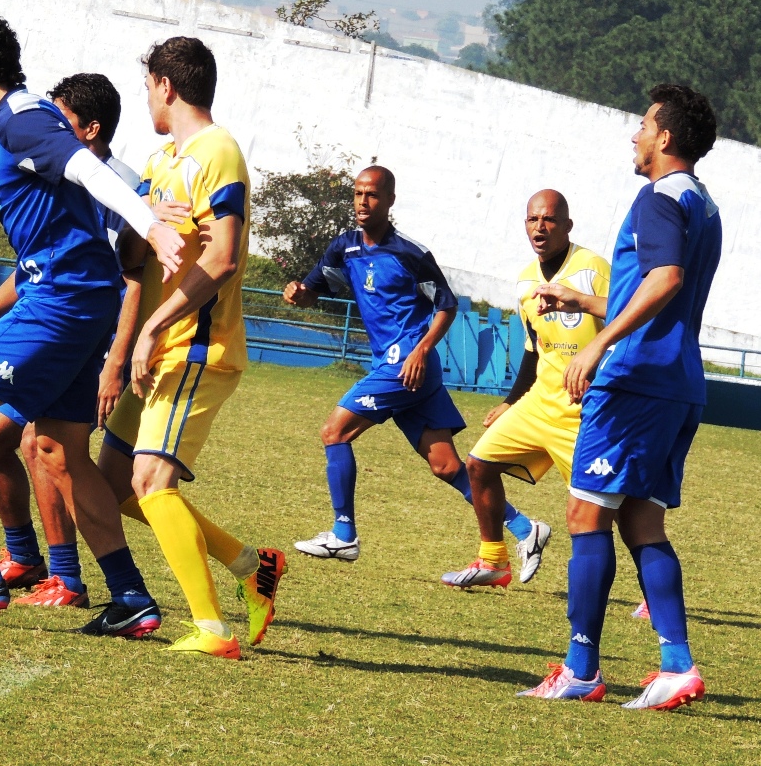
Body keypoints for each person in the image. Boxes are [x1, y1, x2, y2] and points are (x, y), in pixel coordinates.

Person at [0, 9, 186, 640]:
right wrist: (143, 205)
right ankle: (132, 597)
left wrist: (150, 224)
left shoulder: (19, 118)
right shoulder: (28, 117)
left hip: (61, 301)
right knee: (59, 450)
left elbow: (85, 166)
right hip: (82, 300)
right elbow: (85, 179)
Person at [519, 84, 720, 710]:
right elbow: (659, 295)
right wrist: (583, 302)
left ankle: (581, 669)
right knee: (641, 520)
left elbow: (665, 278)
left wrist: (596, 343)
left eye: (642, 124)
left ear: (664, 137)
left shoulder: (656, 197)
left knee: (584, 517)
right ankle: (675, 665)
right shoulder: (702, 203)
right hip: (678, 382)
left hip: (634, 382)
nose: (634, 135)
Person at [97, 36, 286, 660]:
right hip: (156, 350)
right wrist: (147, 214)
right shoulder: (158, 163)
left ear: (167, 86)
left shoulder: (218, 151)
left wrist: (155, 329)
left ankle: (211, 629)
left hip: (194, 347)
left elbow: (224, 256)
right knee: (116, 486)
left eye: (148, 86)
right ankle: (251, 565)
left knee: (151, 482)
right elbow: (132, 255)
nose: (146, 97)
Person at [286, 166, 542, 569]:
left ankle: (343, 534)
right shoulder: (345, 248)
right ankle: (526, 528)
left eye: (372, 194)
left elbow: (447, 304)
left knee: (334, 432)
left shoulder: (409, 252)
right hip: (400, 370)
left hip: (405, 364)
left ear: (389, 200)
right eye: (357, 194)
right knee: (445, 466)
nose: (362, 202)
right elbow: (314, 290)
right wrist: (297, 293)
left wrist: (421, 350)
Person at [0, 72, 143, 609]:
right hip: (57, 320)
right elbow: (36, 265)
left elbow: (131, 275)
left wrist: (117, 360)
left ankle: (66, 577)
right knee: (9, 441)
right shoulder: (53, 176)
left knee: (36, 444)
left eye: (60, 116)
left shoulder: (118, 185)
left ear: (89, 129)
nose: (47, 123)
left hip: (86, 333)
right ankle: (34, 561)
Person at [441, 190, 610, 588]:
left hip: (584, 411)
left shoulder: (593, 269)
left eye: (549, 220)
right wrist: (509, 402)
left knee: (609, 508)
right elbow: (535, 351)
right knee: (478, 464)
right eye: (533, 220)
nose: (540, 227)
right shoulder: (524, 282)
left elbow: (630, 319)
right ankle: (492, 561)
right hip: (539, 404)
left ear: (567, 225)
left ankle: (653, 595)